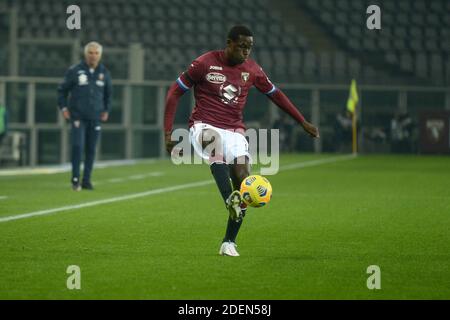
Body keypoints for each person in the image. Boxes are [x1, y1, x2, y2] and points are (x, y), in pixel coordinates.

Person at [164, 26, 319, 256]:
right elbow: (174, 92)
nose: (246, 51)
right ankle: (230, 200)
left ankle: (229, 242)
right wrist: (168, 133)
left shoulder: (253, 70)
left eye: (250, 47)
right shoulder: (205, 63)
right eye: (242, 46)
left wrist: (302, 121)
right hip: (204, 125)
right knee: (214, 144)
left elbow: (276, 94)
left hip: (235, 130)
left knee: (244, 180)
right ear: (229, 43)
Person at [57, 41, 112, 191]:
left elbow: (108, 95)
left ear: (100, 55)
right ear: (85, 54)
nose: (93, 56)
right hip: (78, 117)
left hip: (95, 117)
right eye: (90, 53)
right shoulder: (74, 70)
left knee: (91, 149)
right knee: (77, 146)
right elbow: (62, 91)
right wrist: (63, 108)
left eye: (96, 53)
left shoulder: (104, 73)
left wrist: (106, 110)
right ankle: (75, 179)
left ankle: (86, 180)